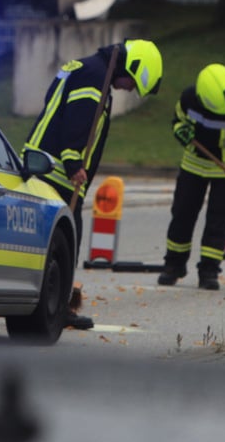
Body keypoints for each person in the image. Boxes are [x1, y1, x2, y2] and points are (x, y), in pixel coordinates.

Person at [22, 39, 163, 329]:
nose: (129, 89)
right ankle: (53, 309)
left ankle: (55, 305)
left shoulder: (89, 68)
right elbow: (78, 121)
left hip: (47, 164)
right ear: (131, 68)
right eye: (132, 83)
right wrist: (74, 163)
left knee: (61, 242)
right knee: (64, 243)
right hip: (57, 171)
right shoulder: (95, 77)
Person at [157, 63, 225, 290]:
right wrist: (180, 130)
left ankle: (209, 271)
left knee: (218, 221)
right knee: (182, 215)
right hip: (194, 165)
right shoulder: (189, 98)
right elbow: (178, 120)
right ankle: (174, 265)